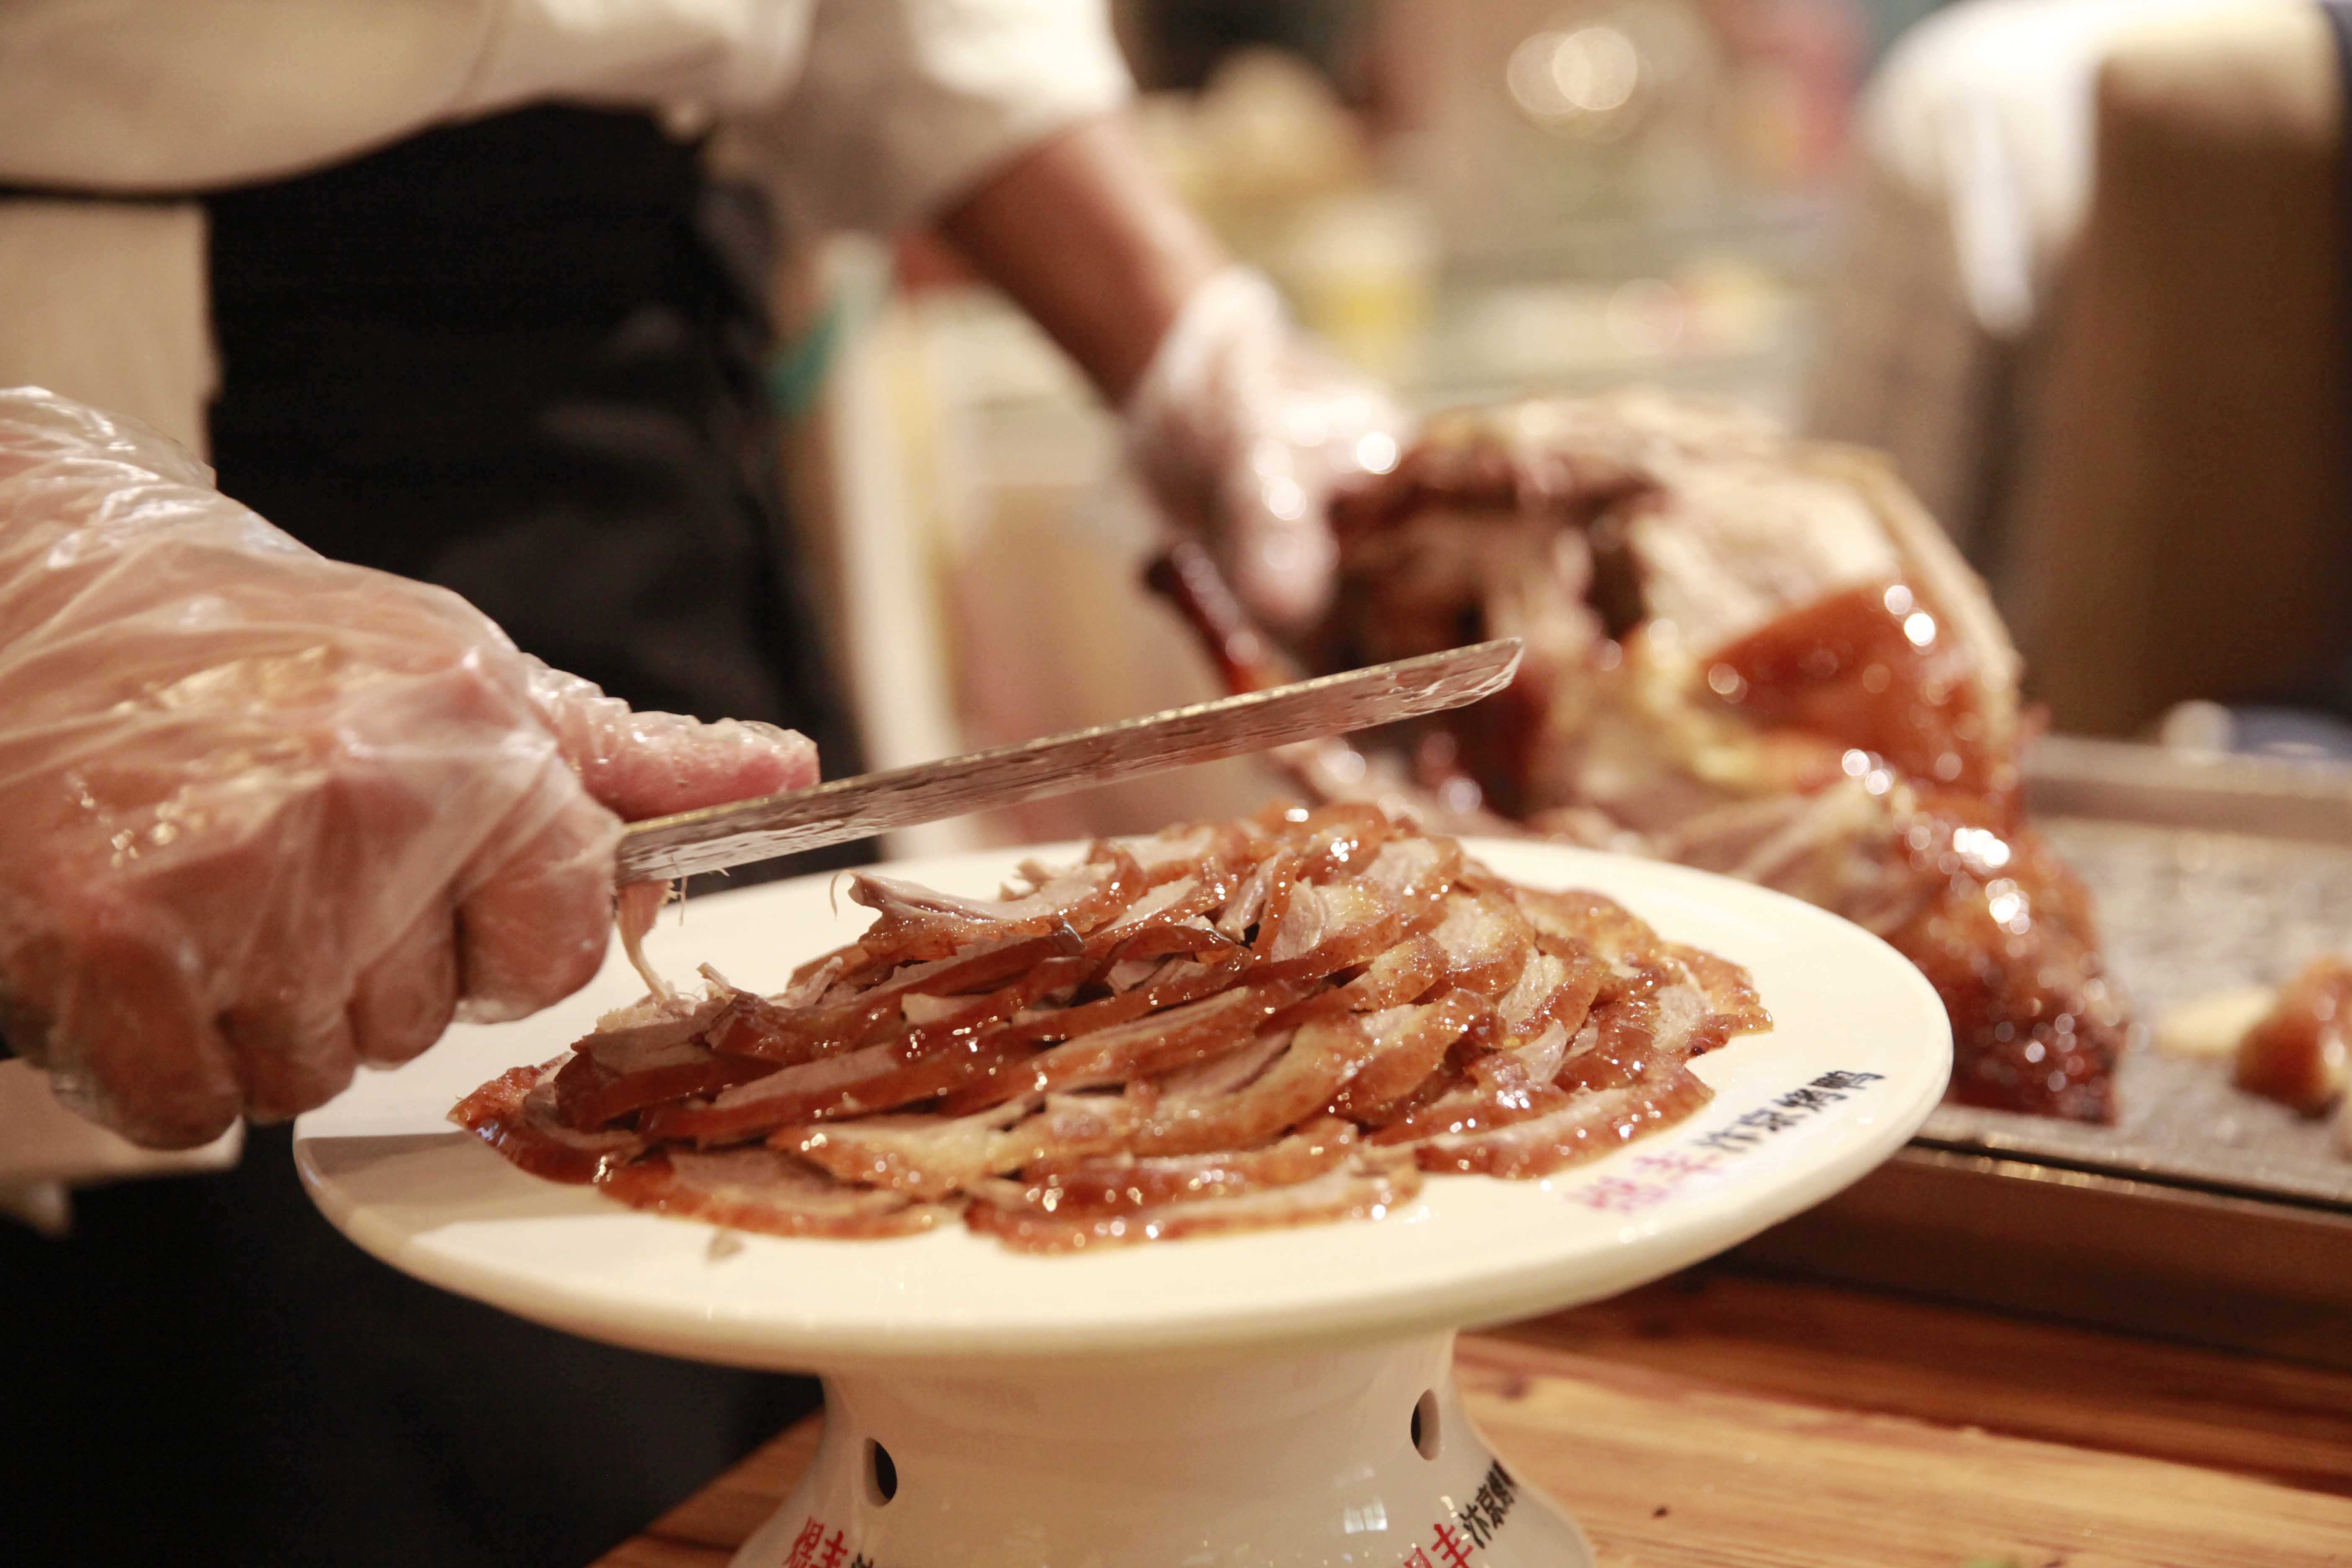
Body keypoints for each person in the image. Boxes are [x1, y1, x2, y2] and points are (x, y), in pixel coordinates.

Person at [0, 4, 1398, 1563]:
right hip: (135, 465)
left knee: (808, 1324)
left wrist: (1194, 344)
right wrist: (19, 587)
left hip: (646, 392)